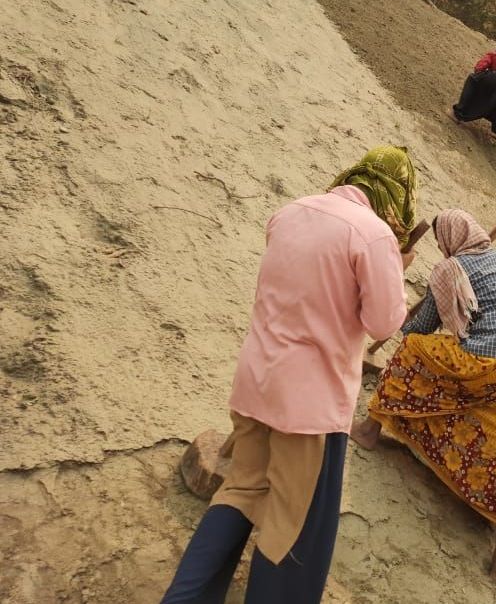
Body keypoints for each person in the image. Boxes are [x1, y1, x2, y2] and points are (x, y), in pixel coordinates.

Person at [160, 146, 418, 604]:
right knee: (291, 529)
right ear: (397, 196)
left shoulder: (291, 211)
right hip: (311, 409)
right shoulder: (375, 235)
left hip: (256, 383)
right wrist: (396, 267)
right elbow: (384, 322)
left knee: (240, 491)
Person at [350, 209, 496, 583]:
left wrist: (402, 318)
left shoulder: (449, 270)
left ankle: (368, 430)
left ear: (447, 241)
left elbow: (423, 328)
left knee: (414, 351)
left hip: (487, 363)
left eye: (442, 241)